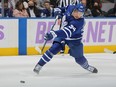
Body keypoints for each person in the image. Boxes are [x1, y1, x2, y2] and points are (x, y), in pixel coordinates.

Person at [33, 3, 98, 74]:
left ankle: (87, 66)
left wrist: (53, 33)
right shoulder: (70, 7)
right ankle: (39, 65)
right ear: (75, 10)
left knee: (79, 59)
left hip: (74, 40)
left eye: (81, 14)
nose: (79, 16)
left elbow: (66, 32)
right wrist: (59, 13)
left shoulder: (79, 22)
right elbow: (60, 9)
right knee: (54, 48)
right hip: (62, 36)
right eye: (78, 13)